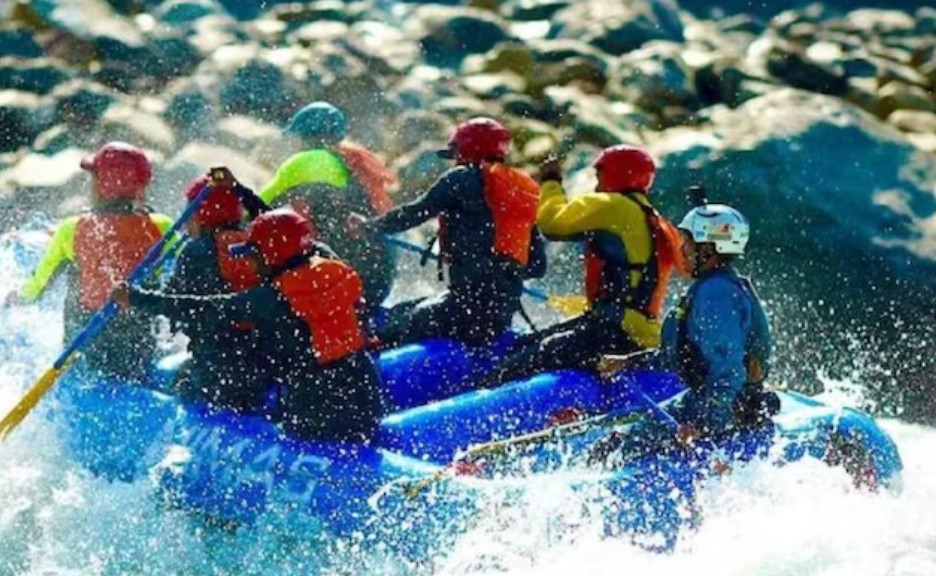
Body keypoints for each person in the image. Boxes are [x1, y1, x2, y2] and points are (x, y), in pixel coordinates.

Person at [113, 208, 384, 442]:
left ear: (271, 255)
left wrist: (136, 298)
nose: (249, 263)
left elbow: (202, 309)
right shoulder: (332, 272)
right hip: (367, 394)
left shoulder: (270, 299)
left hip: (317, 407)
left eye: (253, 255)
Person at [478, 144, 683, 387]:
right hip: (637, 332)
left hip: (615, 331)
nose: (597, 184)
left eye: (599, 175)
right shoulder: (654, 218)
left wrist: (551, 181)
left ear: (613, 174)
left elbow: (552, 224)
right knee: (526, 344)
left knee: (519, 362)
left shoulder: (612, 205)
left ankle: (483, 395)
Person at [590, 203, 777, 466]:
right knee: (614, 442)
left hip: (724, 410)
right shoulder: (712, 287)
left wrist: (704, 424)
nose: (681, 250)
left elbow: (729, 372)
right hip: (705, 401)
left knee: (623, 450)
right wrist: (629, 362)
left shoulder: (716, 295)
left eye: (687, 243)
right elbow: (684, 355)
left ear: (708, 250)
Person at [350, 116, 546, 348]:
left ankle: (370, 352)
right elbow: (537, 266)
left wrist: (369, 227)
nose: (455, 161)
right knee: (403, 309)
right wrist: (501, 274)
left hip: (464, 308)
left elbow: (415, 213)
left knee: (395, 328)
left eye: (457, 154)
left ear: (467, 151)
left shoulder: (460, 179)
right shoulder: (521, 192)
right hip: (500, 314)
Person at [8, 142, 173, 379]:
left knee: (74, 273)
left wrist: (16, 298)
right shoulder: (163, 228)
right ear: (141, 186)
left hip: (86, 352)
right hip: (139, 350)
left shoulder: (71, 230)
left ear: (99, 185)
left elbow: (37, 287)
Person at [260, 101, 396, 318]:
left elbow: (256, 205)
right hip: (379, 281)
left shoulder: (304, 162)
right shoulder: (356, 162)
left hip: (339, 281)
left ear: (306, 135)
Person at [157, 167, 271, 411]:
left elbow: (172, 304)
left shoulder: (194, 252)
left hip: (213, 369)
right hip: (262, 364)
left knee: (181, 383)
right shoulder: (258, 244)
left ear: (200, 216)